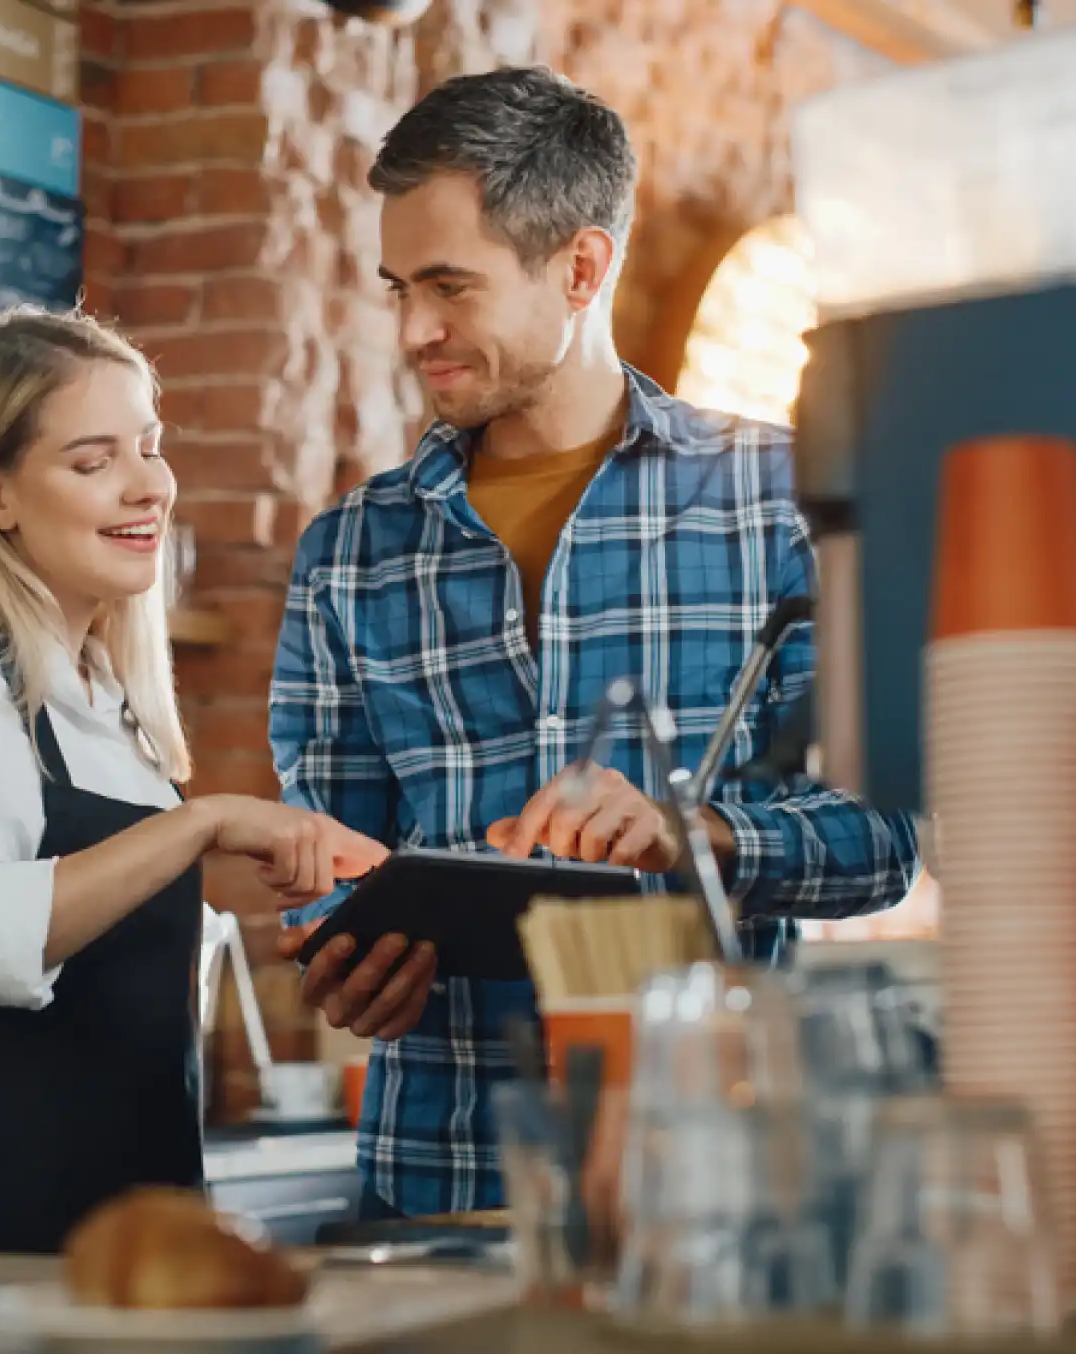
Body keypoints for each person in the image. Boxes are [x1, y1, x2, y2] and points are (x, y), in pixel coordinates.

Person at [269, 67, 922, 1222]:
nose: (414, 330)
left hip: (716, 1187)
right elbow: (329, 862)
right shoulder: (351, 552)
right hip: (439, 1185)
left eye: (449, 287)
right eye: (397, 288)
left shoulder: (777, 504)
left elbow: (883, 838)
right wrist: (341, 951)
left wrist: (696, 834)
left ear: (581, 266)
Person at [0, 307, 387, 1255]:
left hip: (119, 1238)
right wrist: (204, 826)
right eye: (94, 459)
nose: (149, 484)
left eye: (150, 447)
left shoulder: (111, 707)